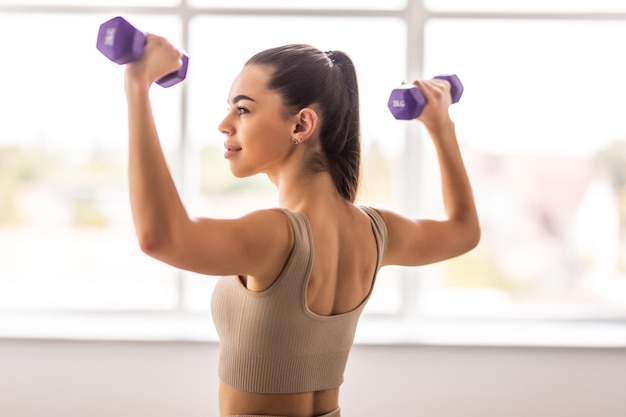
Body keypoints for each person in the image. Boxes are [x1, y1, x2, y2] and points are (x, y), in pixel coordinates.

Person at [124, 35, 480, 417]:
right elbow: (464, 230)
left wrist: (137, 87)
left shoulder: (278, 235)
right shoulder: (375, 232)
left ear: (302, 123)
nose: (224, 125)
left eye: (243, 110)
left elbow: (159, 237)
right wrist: (441, 125)